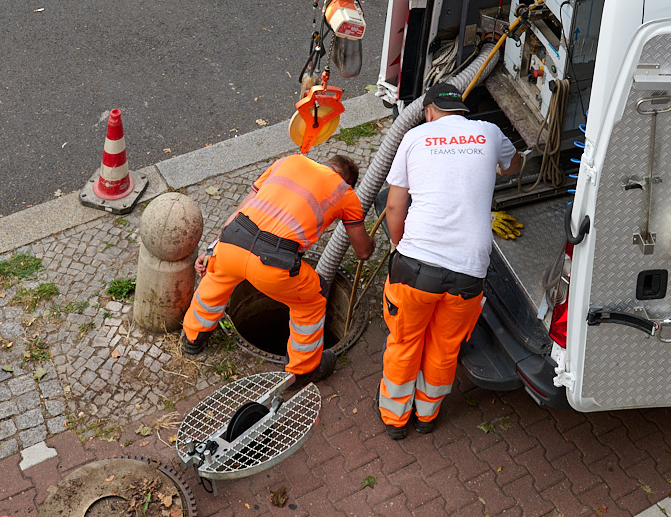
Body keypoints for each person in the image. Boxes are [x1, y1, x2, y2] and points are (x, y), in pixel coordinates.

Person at [379, 82, 522, 439]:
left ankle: (395, 421)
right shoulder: (488, 132)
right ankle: (427, 416)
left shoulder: (415, 138)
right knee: (445, 347)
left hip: (415, 268)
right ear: (462, 110)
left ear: (428, 113)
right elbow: (513, 165)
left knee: (405, 342)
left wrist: (399, 247)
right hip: (468, 272)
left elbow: (395, 206)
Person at [183, 152, 373, 385]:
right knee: (312, 298)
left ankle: (193, 338)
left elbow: (243, 208)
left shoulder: (289, 160)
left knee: (216, 279)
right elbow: (363, 251)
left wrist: (213, 247)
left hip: (233, 240)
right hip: (274, 263)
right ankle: (303, 370)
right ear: (348, 180)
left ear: (325, 163)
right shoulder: (344, 191)